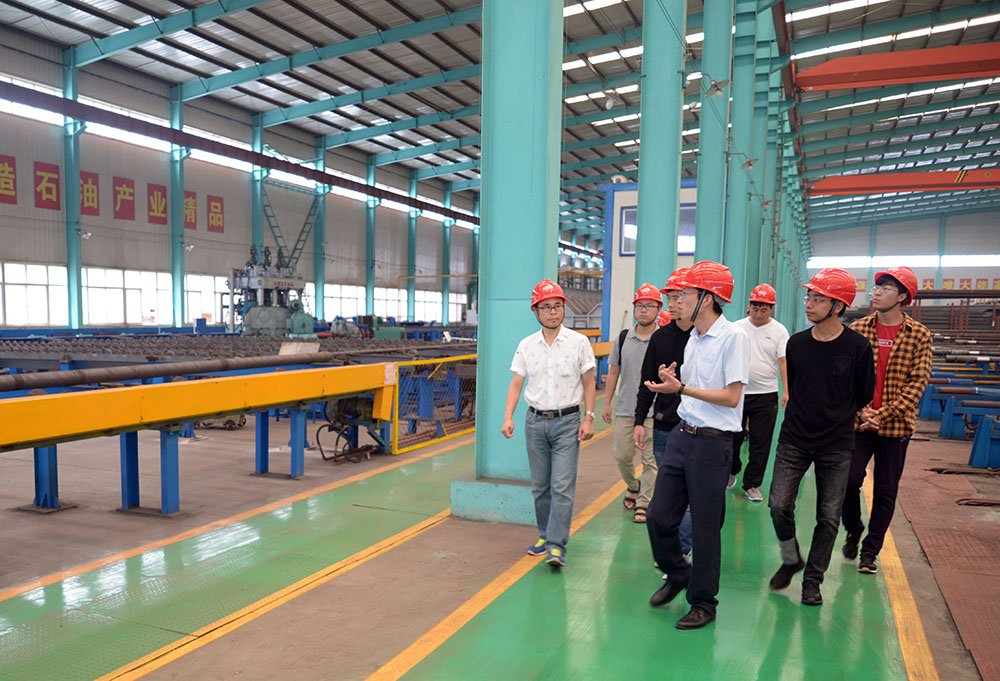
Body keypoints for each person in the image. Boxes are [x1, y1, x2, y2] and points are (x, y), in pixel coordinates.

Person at [642, 261, 749, 630]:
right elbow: (690, 388)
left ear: (707, 298)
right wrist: (673, 381)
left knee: (705, 529)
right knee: (658, 517)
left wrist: (683, 388)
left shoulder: (733, 338)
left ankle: (703, 603)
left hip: (712, 444)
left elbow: (732, 397)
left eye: (685, 293)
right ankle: (678, 573)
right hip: (682, 435)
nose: (678, 300)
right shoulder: (694, 338)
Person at [767, 268, 875, 605]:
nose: (809, 304)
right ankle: (790, 559)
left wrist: (837, 414)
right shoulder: (797, 343)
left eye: (818, 299)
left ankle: (812, 580)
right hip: (795, 437)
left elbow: (864, 393)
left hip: (836, 443)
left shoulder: (857, 347)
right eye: (809, 297)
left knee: (828, 518)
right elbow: (796, 384)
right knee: (778, 505)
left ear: (838, 306)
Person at [841, 266, 932, 574]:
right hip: (860, 424)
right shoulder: (858, 330)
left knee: (885, 489)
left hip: (895, 426)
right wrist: (862, 412)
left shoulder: (919, 335)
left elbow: (917, 383)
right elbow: (847, 378)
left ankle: (870, 551)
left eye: (886, 288)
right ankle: (854, 528)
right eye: (876, 287)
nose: (876, 292)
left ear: (903, 296)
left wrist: (884, 413)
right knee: (848, 480)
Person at [502, 279, 597, 569]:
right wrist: (508, 417)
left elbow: (589, 382)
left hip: (568, 422)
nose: (553, 312)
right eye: (546, 307)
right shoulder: (526, 345)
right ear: (536, 311)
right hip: (535, 423)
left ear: (563, 308)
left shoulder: (579, 342)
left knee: (562, 486)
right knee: (541, 487)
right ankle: (544, 535)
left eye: (557, 306)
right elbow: (516, 383)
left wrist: (589, 417)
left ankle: (557, 545)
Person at [633, 268, 695, 553]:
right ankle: (674, 551)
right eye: (670, 298)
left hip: (697, 428)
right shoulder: (660, 338)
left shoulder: (704, 337)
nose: (673, 303)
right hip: (664, 426)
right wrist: (639, 421)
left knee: (691, 495)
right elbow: (647, 382)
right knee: (669, 494)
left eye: (679, 297)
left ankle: (681, 551)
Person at [602, 283, 662, 523]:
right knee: (622, 455)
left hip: (654, 411)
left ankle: (643, 502)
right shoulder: (624, 337)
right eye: (640, 306)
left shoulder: (663, 338)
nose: (644, 310)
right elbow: (613, 371)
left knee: (650, 461)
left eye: (649, 306)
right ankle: (633, 485)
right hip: (626, 408)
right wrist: (607, 403)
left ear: (658, 309)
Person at [731, 284, 790, 502]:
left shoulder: (779, 331)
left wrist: (786, 391)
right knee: (732, 437)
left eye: (763, 309)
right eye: (755, 308)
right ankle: (732, 469)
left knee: (760, 443)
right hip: (737, 393)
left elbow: (783, 361)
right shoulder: (736, 328)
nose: (758, 313)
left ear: (771, 309)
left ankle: (752, 484)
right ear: (749, 306)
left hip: (766, 394)